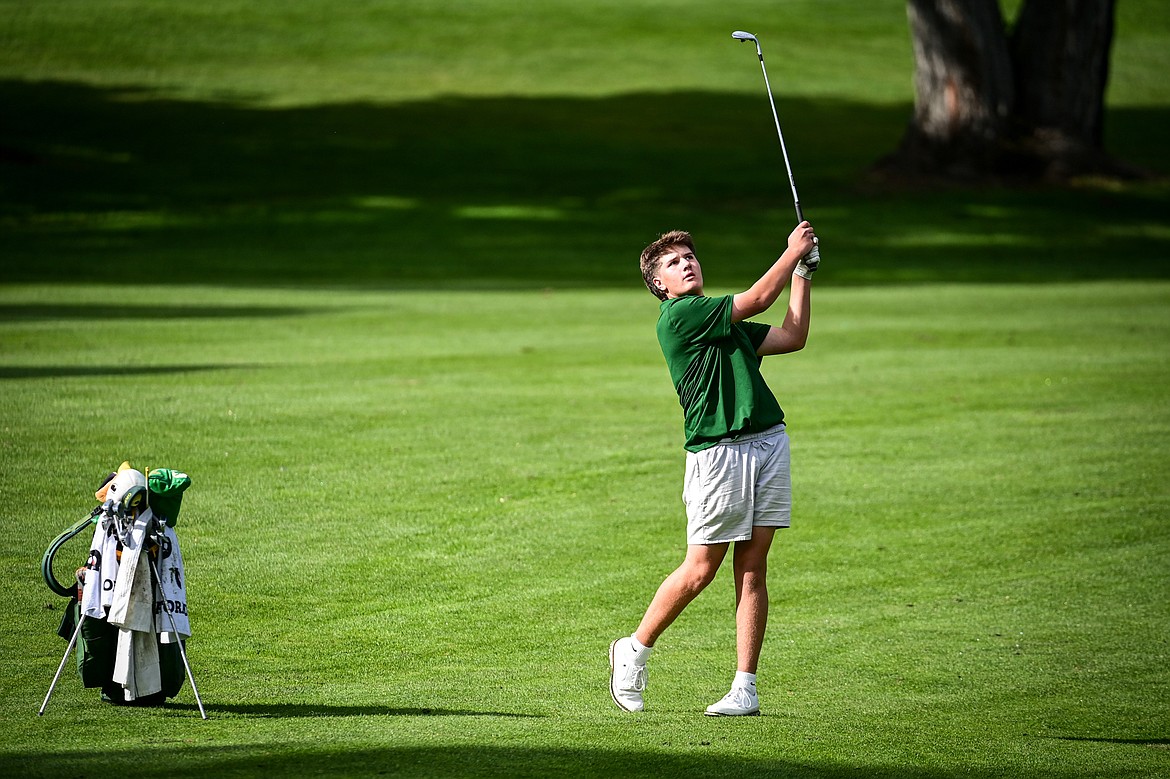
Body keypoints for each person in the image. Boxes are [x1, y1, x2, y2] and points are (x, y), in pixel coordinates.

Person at [609, 221, 819, 716]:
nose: (687, 264)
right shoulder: (680, 316)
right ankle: (633, 649)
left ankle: (744, 687)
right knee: (702, 567)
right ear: (659, 284)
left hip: (768, 441)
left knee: (752, 570)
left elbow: (793, 336)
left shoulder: (722, 322)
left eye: (690, 257)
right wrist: (791, 252)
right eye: (674, 262)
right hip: (717, 453)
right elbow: (759, 298)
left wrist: (804, 274)